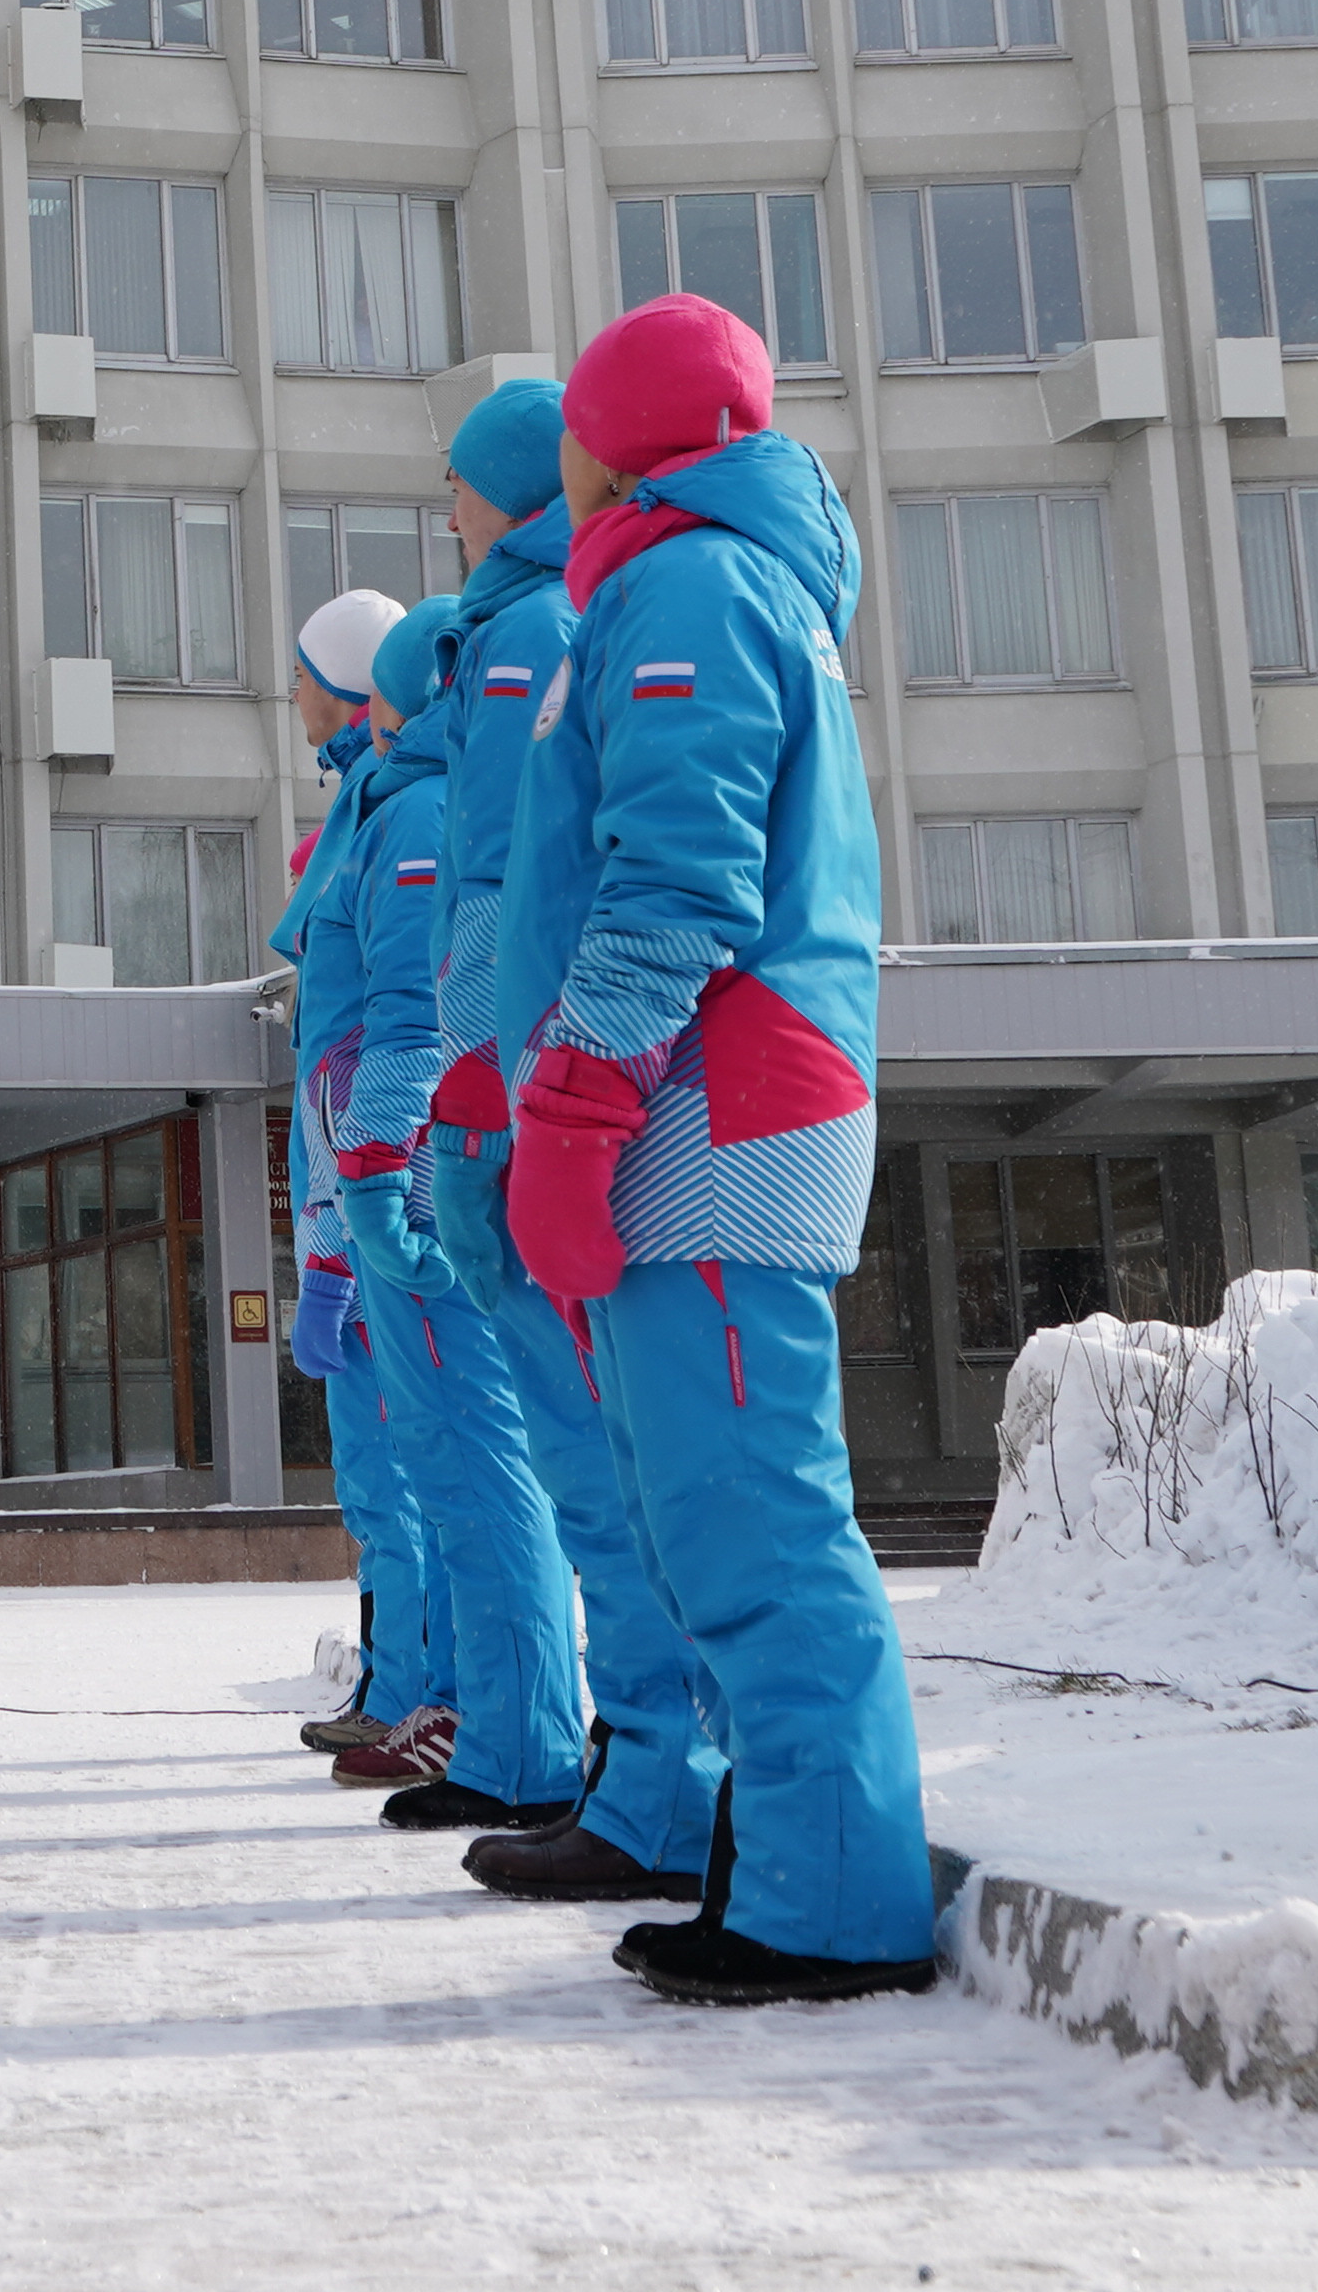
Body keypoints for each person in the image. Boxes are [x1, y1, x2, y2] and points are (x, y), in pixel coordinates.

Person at [500, 293, 937, 2005]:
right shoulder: (696, 575)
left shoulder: (689, 582)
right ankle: (794, 1872)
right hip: (707, 1104)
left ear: (619, 436)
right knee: (713, 1517)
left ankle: (829, 1909)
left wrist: (582, 1097)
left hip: (714, 1112)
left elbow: (677, 881)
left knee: (751, 1520)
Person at [411, 373, 737, 1909]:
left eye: (461, 480)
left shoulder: (547, 629)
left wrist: (492, 1066)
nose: (451, 505)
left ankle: (650, 1779)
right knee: (576, 1457)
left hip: (565, 1086)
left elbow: (535, 888)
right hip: (518, 1073)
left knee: (609, 1469)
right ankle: (635, 1772)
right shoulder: (530, 622)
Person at [315, 590, 587, 1839]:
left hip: (419, 1180)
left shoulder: (419, 803)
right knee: (449, 1466)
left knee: (481, 1465)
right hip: (393, 1175)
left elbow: (411, 1016)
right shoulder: (397, 796)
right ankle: (496, 1729)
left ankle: (520, 1733)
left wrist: (374, 1162)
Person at [279, 585, 438, 1776]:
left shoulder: (402, 813)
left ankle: (422, 1693)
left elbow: (387, 1031)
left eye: (302, 674)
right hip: (353, 1181)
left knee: (409, 1463)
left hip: (382, 1188)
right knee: (379, 1466)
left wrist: (347, 1211)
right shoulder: (366, 807)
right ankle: (403, 1681)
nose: (290, 695)